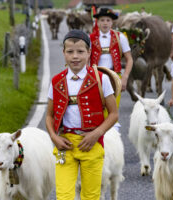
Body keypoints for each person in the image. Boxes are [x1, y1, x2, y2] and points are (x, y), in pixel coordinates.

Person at [45, 29, 118, 200]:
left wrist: (96, 134)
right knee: (63, 195)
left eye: (80, 51)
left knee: (91, 195)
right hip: (65, 145)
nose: (75, 56)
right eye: (70, 52)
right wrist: (54, 137)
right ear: (63, 53)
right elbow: (49, 115)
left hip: (92, 144)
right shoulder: (56, 81)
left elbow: (114, 114)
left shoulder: (101, 79)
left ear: (89, 52)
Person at [90, 7, 133, 101]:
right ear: (97, 22)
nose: (105, 23)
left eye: (108, 20)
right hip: (96, 77)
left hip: (115, 77)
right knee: (97, 108)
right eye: (102, 20)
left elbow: (129, 59)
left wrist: (125, 77)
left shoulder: (120, 37)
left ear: (112, 22)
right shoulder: (90, 38)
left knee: (113, 109)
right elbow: (85, 60)